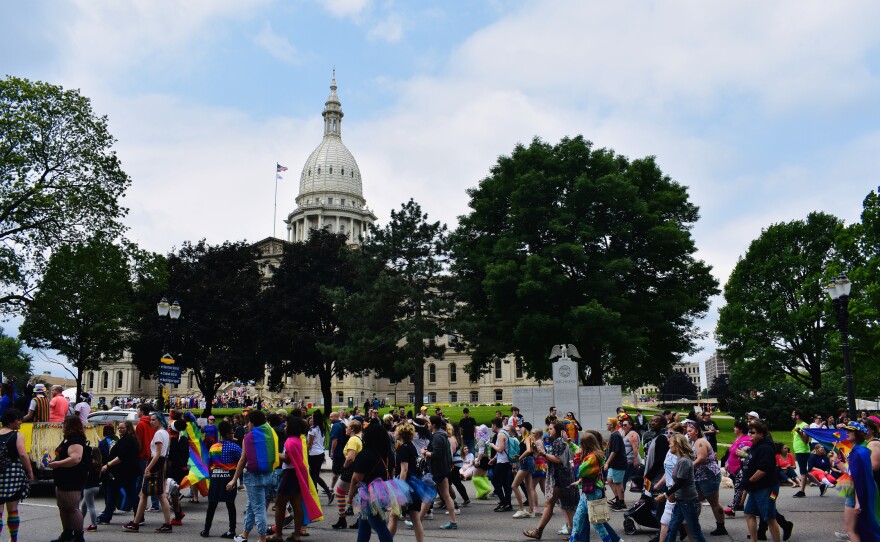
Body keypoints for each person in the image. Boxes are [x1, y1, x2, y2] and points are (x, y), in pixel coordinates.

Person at [226, 409, 279, 542]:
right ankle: (244, 534)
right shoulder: (270, 432)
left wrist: (233, 480)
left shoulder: (249, 437)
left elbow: (243, 460)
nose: (247, 425)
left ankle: (262, 538)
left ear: (252, 423)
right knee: (251, 506)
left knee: (259, 509)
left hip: (254, 477)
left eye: (248, 422)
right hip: (269, 475)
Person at [523, 423, 578, 540]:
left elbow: (558, 460)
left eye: (551, 428)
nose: (549, 430)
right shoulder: (559, 441)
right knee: (567, 506)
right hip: (564, 478)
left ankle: (539, 531)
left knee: (553, 504)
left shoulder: (559, 442)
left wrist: (544, 453)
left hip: (559, 479)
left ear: (557, 430)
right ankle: (574, 533)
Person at [273, 415, 322, 542]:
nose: (285, 427)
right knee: (296, 504)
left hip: (290, 474)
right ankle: (296, 534)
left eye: (287, 425)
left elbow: (288, 458)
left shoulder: (290, 441)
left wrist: (275, 454)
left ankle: (278, 535)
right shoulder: (299, 439)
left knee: (279, 503)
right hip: (298, 473)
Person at [125, 412, 173, 532]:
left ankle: (137, 523)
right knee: (150, 494)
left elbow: (157, 454)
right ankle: (165, 523)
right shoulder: (165, 433)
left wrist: (148, 468)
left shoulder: (158, 434)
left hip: (155, 463)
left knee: (149, 495)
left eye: (153, 420)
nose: (151, 422)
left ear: (160, 420)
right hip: (161, 463)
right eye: (151, 420)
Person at [346, 422, 395, 541]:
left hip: (368, 494)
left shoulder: (364, 455)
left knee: (379, 525)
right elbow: (392, 475)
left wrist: (349, 497)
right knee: (364, 523)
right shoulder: (389, 454)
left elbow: (356, 479)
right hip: (384, 491)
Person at [569, 432, 621, 542]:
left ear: (586, 445)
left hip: (592, 492)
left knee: (597, 524)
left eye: (581, 444)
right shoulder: (591, 455)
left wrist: (576, 460)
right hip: (588, 492)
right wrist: (569, 441)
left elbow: (579, 472)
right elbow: (577, 450)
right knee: (577, 519)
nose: (580, 447)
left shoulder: (592, 458)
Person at [48, 415, 88, 542]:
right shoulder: (68, 439)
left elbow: (76, 458)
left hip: (72, 478)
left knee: (72, 507)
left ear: (70, 426)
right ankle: (67, 533)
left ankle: (78, 536)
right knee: (63, 506)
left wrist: (58, 464)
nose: (62, 426)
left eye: (64, 424)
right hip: (62, 477)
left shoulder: (76, 440)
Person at [839, 421, 880, 541]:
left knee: (851, 530)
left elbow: (858, 479)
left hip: (856, 495)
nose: (847, 433)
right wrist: (837, 461)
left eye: (850, 431)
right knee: (860, 530)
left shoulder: (859, 452)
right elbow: (851, 473)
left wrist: (858, 502)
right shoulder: (860, 449)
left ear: (858, 433)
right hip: (859, 494)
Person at [684, 419, 726, 535]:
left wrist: (688, 467)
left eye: (690, 430)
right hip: (700, 477)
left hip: (708, 476)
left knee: (714, 502)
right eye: (687, 431)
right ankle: (692, 525)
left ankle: (721, 527)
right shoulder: (695, 442)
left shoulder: (700, 442)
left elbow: (702, 458)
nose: (688, 432)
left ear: (696, 431)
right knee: (695, 500)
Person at [388, 423, 429, 542]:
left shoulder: (403, 449)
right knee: (415, 518)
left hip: (406, 487)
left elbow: (404, 470)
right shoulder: (411, 446)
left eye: (396, 431)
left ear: (401, 433)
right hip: (415, 486)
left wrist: (399, 490)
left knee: (393, 516)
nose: (394, 433)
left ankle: (386, 539)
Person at [743, 421, 782, 542]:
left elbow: (763, 469)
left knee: (770, 518)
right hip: (755, 488)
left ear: (761, 434)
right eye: (749, 432)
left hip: (767, 488)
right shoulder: (756, 446)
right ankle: (753, 540)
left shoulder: (765, 448)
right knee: (749, 513)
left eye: (753, 433)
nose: (750, 434)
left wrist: (749, 481)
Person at [202, 420, 240, 538]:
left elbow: (209, 464)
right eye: (231, 433)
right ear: (228, 434)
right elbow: (242, 460)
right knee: (230, 505)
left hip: (216, 478)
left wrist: (212, 477)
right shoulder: (235, 447)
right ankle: (232, 530)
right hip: (229, 478)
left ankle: (206, 530)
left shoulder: (213, 447)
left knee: (212, 505)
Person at [0, 408, 34, 542]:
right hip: (13, 473)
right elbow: (22, 454)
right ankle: (13, 539)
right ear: (10, 421)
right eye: (18, 419)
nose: (21, 422)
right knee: (13, 509)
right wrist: (30, 471)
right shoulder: (17, 435)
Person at [664, 433, 706, 542]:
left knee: (695, 531)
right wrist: (673, 494)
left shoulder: (684, 461)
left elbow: (681, 482)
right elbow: (678, 481)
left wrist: (666, 494)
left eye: (671, 444)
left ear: (677, 445)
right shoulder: (681, 460)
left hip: (688, 501)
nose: (669, 446)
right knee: (672, 528)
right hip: (681, 500)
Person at [97, 421, 140, 525]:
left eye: (122, 428)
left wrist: (108, 465)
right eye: (119, 428)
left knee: (129, 494)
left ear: (128, 428)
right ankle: (138, 516)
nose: (120, 429)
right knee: (116, 493)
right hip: (125, 473)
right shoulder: (127, 439)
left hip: (124, 473)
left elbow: (121, 457)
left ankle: (107, 516)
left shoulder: (127, 440)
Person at [424, 415, 458, 529]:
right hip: (443, 469)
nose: (428, 425)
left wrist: (425, 452)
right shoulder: (442, 435)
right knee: (446, 495)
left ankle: (417, 520)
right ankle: (453, 521)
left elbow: (437, 454)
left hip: (438, 470)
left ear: (433, 425)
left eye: (429, 423)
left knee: (428, 496)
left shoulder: (438, 436)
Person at [332, 419, 362, 529]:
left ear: (352, 429)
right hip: (357, 469)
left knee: (339, 492)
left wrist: (344, 466)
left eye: (347, 427)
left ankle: (342, 518)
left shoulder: (353, 439)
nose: (346, 429)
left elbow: (350, 457)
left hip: (350, 470)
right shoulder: (359, 438)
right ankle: (360, 519)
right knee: (358, 494)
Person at [724, 420, 751, 517]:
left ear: (741, 429)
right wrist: (727, 462)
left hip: (741, 468)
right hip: (734, 468)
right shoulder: (738, 439)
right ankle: (738, 506)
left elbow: (746, 455)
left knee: (739, 487)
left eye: (735, 427)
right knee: (738, 487)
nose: (734, 429)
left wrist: (743, 453)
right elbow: (732, 452)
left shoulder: (746, 440)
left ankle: (733, 508)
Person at [306, 409, 333, 502]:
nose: (311, 418)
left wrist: (305, 452)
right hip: (320, 453)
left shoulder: (312, 430)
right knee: (315, 475)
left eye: (313, 416)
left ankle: (316, 494)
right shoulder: (321, 428)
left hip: (313, 454)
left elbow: (309, 444)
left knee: (313, 475)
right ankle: (325, 492)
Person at [512, 422, 538, 518]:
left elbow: (528, 450)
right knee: (529, 487)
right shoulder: (529, 438)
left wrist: (520, 458)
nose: (519, 429)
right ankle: (531, 511)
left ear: (525, 429)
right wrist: (520, 456)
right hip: (529, 461)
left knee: (514, 486)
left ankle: (522, 509)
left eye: (521, 427)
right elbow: (530, 452)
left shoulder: (527, 438)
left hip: (526, 462)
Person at [488, 417, 513, 512]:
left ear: (494, 425)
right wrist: (494, 459)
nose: (492, 427)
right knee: (504, 482)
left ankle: (504, 502)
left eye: (492, 425)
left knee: (495, 481)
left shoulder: (500, 434)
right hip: (505, 461)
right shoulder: (505, 432)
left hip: (503, 462)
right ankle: (507, 503)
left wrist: (492, 445)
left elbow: (500, 449)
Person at [603, 418, 627, 510]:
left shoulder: (616, 436)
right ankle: (617, 499)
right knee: (610, 480)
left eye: (608, 424)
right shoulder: (613, 435)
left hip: (618, 462)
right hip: (613, 463)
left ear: (612, 425)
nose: (607, 425)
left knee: (618, 482)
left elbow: (614, 451)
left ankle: (621, 503)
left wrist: (607, 463)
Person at [79, 446, 101, 532]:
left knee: (91, 507)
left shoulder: (90, 464)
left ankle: (94, 525)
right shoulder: (98, 463)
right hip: (96, 487)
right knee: (83, 506)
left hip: (88, 487)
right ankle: (79, 523)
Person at [790, 409, 811, 498]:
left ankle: (802, 491)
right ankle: (820, 485)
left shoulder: (805, 426)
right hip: (798, 450)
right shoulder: (797, 425)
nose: (792, 416)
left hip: (803, 450)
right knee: (804, 470)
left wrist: (799, 432)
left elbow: (806, 441)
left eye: (793, 414)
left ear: (797, 416)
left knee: (803, 471)